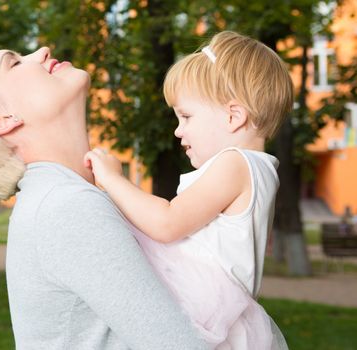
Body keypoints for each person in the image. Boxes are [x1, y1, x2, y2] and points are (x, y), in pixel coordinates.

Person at [0, 45, 208, 349]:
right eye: (14, 63)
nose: (42, 51)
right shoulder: (66, 208)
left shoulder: (56, 200)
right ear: (3, 118)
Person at [85, 31, 292, 349]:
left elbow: (168, 224)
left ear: (233, 116)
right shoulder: (257, 168)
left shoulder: (235, 164)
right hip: (219, 311)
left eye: (186, 116)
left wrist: (114, 179)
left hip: (203, 307)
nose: (179, 131)